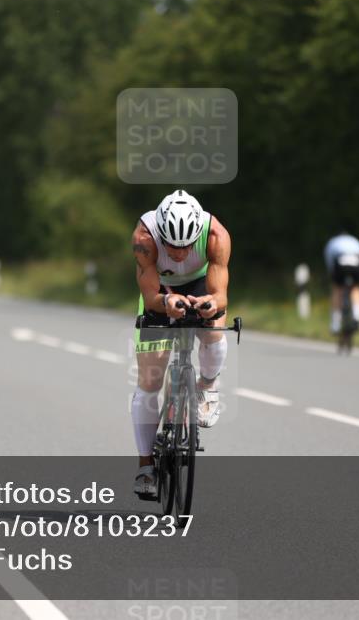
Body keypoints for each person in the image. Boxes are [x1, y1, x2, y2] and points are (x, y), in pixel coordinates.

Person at [130, 190, 232, 499]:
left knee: (214, 330)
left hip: (201, 284)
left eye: (186, 245)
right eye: (172, 246)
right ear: (161, 234)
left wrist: (210, 304)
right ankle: (146, 466)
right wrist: (166, 301)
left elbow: (220, 295)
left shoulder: (216, 235)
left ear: (197, 235)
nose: (179, 253)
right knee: (150, 381)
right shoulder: (144, 237)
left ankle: (208, 385)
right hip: (160, 289)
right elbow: (149, 295)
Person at [323, 230, 359, 334]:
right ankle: (358, 317)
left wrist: (333, 277)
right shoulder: (355, 241)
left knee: (337, 289)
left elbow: (330, 263)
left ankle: (335, 324)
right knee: (356, 287)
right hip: (357, 260)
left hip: (340, 261)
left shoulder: (332, 242)